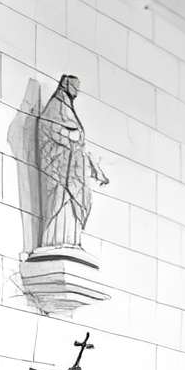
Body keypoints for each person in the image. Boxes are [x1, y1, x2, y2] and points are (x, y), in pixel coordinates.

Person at [35, 73, 108, 255]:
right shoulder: (54, 108)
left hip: (74, 173)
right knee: (60, 205)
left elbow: (77, 142)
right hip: (60, 174)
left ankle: (72, 241)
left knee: (73, 210)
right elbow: (49, 130)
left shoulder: (69, 111)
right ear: (66, 85)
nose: (76, 91)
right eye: (74, 87)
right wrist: (71, 138)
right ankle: (56, 240)